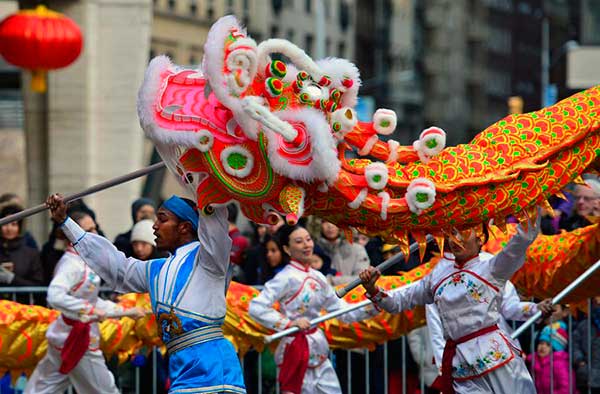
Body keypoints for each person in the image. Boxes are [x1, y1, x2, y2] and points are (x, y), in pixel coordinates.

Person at [46, 193, 246, 393]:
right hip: (181, 366)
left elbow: (215, 225)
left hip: (214, 367)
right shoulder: (155, 270)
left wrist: (201, 181)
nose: (154, 226)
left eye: (162, 218)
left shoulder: (210, 259)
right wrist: (66, 223)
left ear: (184, 227)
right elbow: (116, 265)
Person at [359, 213, 541, 394]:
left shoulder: (491, 267)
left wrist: (533, 202)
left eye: (463, 233)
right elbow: (398, 301)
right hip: (460, 365)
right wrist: (373, 289)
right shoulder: (438, 275)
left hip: (496, 358)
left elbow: (522, 239)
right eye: (452, 234)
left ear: (480, 239)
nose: (456, 239)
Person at [248, 224, 380, 394]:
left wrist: (372, 307)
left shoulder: (318, 277)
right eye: (299, 241)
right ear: (287, 249)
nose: (306, 245)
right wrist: (289, 323)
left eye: (308, 239)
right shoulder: (285, 277)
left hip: (318, 351)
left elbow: (341, 311)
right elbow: (256, 307)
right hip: (294, 351)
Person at [24, 211, 145, 394]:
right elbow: (55, 295)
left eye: (94, 228)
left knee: (42, 388)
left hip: (67, 336)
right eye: (89, 230)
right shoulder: (71, 264)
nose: (95, 233)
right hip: (78, 340)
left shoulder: (84, 261)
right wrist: (87, 309)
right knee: (106, 390)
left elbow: (91, 300)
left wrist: (124, 311)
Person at [0, 204, 44, 300]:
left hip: (22, 307)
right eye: (5, 224)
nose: (9, 228)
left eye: (13, 224)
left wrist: (12, 278)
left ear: (19, 227)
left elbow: (38, 286)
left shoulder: (30, 254)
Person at [527, 321, 576, 394]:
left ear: (555, 349)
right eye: (541, 343)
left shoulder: (559, 364)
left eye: (548, 345)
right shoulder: (535, 361)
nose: (543, 346)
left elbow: (567, 389)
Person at [317, 220, 370, 286]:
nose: (330, 226)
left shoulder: (357, 249)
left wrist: (332, 280)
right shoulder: (312, 249)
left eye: (333, 220)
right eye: (325, 221)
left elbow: (362, 278)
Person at [572, 296, 600, 393]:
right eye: (596, 300)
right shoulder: (584, 325)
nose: (598, 302)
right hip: (587, 376)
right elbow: (574, 345)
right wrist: (580, 361)